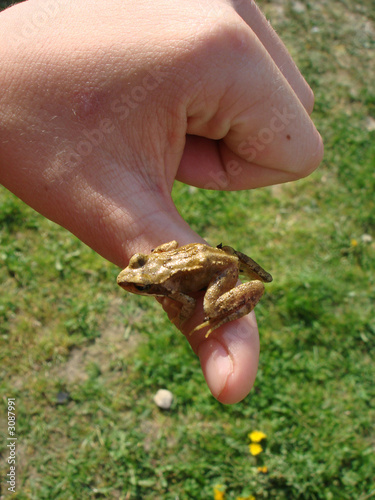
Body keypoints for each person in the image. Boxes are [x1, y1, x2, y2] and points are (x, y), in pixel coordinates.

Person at [0, 0, 323, 404]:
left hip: (217, 269)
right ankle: (246, 270)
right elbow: (168, 253)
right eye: (140, 272)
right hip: (212, 255)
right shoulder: (159, 257)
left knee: (210, 306)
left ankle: (252, 282)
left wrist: (178, 303)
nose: (132, 274)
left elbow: (187, 302)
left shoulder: (168, 280)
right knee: (213, 281)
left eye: (142, 282)